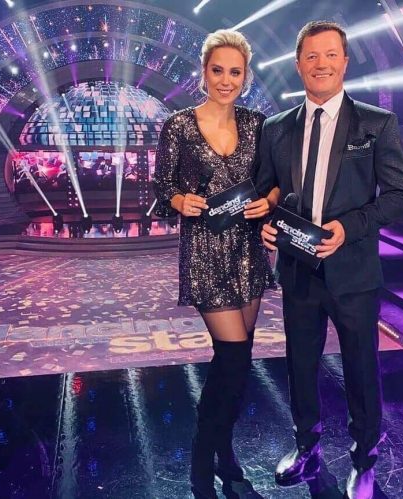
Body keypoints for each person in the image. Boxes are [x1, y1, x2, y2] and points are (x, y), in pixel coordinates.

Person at [256, 21, 403, 498]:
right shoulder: (276, 128)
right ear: (298, 64)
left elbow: (400, 197)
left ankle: (364, 459)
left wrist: (350, 227)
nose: (320, 64)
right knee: (300, 366)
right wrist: (267, 223)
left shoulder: (376, 123)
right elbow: (269, 191)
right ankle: (306, 446)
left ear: (344, 62)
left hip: (354, 273)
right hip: (298, 270)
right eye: (311, 56)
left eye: (330, 55)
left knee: (361, 370)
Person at [153, 29, 279, 499]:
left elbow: (275, 182)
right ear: (203, 73)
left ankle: (223, 456)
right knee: (232, 357)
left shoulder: (258, 124)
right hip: (206, 253)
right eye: (218, 70)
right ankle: (204, 463)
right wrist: (179, 200)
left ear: (246, 77)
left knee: (237, 365)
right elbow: (161, 188)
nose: (226, 80)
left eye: (235, 72)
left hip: (248, 252)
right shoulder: (179, 126)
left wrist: (268, 202)